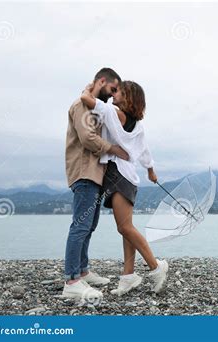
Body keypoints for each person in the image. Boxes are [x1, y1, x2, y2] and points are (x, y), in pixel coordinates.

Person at [80, 80, 169, 296]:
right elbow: (145, 151)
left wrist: (90, 87)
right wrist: (150, 171)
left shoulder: (113, 112)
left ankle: (156, 267)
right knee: (126, 227)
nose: (114, 93)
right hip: (128, 176)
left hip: (118, 175)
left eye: (118, 91)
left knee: (125, 228)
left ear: (127, 97)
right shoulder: (138, 125)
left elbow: (85, 99)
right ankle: (128, 276)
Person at [63, 68, 129, 300]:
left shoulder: (91, 105)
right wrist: (115, 150)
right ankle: (71, 280)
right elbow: (87, 138)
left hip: (95, 175)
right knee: (80, 226)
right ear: (101, 81)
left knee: (89, 226)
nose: (112, 96)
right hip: (84, 173)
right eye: (111, 89)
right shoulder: (81, 106)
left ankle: (82, 270)